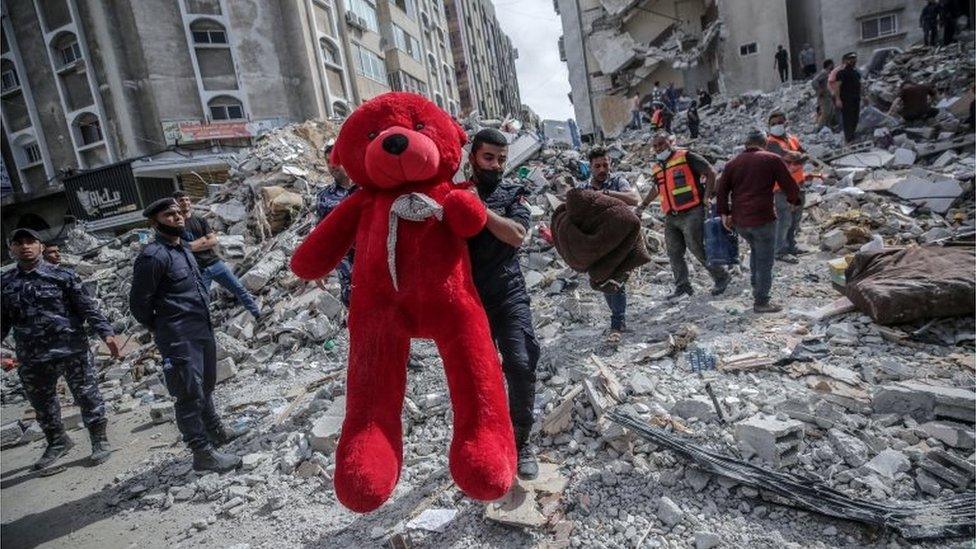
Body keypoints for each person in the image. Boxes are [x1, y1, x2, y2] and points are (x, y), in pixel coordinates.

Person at [129, 198, 243, 473]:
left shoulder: (184, 250)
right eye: (169, 215)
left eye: (179, 213)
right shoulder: (153, 257)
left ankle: (217, 432)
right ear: (154, 222)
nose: (178, 218)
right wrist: (164, 326)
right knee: (188, 392)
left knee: (205, 385)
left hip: (201, 327)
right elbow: (139, 305)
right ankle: (202, 454)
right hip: (178, 335)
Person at [1, 228, 120, 469]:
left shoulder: (63, 276)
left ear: (41, 247)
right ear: (11, 249)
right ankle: (57, 441)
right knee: (42, 402)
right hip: (31, 355)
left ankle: (99, 441)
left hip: (70, 348)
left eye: (30, 242)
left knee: (87, 395)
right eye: (19, 243)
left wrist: (106, 333)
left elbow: (87, 308)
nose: (25, 246)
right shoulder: (5, 283)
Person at [464, 129, 541, 479]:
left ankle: (522, 440)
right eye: (489, 158)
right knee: (478, 377)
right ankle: (485, 441)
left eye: (502, 159)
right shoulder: (454, 196)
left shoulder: (514, 195)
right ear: (473, 159)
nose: (496, 166)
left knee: (522, 363)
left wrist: (478, 211)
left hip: (508, 294)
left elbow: (516, 234)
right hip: (468, 301)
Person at [636, 133, 729, 300]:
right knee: (673, 251)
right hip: (671, 215)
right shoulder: (658, 166)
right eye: (655, 146)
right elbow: (656, 188)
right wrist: (643, 205)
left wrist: (706, 196)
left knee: (696, 247)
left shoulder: (686, 156)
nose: (659, 148)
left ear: (669, 143)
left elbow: (710, 172)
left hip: (692, 211)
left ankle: (721, 277)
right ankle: (683, 286)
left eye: (661, 144)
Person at [715, 130, 800, 313]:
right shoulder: (772, 159)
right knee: (765, 260)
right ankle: (762, 301)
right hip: (763, 218)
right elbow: (789, 185)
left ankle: (756, 285)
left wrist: (724, 213)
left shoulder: (732, 163)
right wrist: (795, 201)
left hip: (741, 221)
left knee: (755, 251)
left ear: (746, 144)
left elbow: (721, 191)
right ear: (764, 144)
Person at [578, 148, 640, 336]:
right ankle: (617, 317)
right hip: (597, 243)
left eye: (605, 164)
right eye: (597, 166)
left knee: (617, 279)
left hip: (619, 240)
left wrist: (606, 194)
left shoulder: (618, 181)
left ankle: (617, 322)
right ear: (590, 168)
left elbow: (634, 199)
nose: (602, 169)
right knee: (603, 280)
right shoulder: (584, 188)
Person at [173, 191, 261, 321]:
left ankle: (258, 315)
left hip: (216, 263)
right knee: (203, 302)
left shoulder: (200, 219)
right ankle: (205, 328)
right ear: (176, 204)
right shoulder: (176, 227)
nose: (185, 202)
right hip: (198, 270)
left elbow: (213, 241)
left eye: (187, 199)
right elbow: (182, 248)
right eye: (181, 200)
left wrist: (192, 246)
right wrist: (202, 241)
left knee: (239, 289)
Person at [315, 140, 358, 306]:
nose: (331, 165)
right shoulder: (324, 197)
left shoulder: (367, 189)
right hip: (348, 273)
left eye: (335, 160)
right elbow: (322, 234)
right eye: (327, 162)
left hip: (375, 265)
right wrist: (319, 267)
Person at [765, 111, 807, 263]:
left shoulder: (792, 139)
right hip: (781, 188)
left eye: (779, 122)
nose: (777, 126)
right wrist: (797, 158)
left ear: (785, 123)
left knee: (795, 219)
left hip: (798, 184)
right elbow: (790, 156)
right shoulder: (771, 143)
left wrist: (796, 158)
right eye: (773, 124)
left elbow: (804, 154)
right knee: (784, 220)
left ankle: (791, 245)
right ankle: (780, 251)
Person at [834, 52, 862, 143]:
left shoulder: (856, 73)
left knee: (855, 118)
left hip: (856, 99)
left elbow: (860, 85)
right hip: (846, 100)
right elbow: (837, 86)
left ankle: (852, 136)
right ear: (845, 61)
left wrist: (864, 96)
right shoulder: (841, 73)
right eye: (850, 59)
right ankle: (849, 139)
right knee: (848, 119)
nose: (853, 60)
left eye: (854, 58)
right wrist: (838, 99)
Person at [812, 59, 837, 130]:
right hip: (824, 96)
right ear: (829, 65)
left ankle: (827, 128)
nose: (833, 66)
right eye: (832, 64)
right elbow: (814, 81)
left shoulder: (828, 73)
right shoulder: (824, 73)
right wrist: (819, 89)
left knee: (830, 112)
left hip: (828, 96)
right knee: (825, 113)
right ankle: (819, 129)